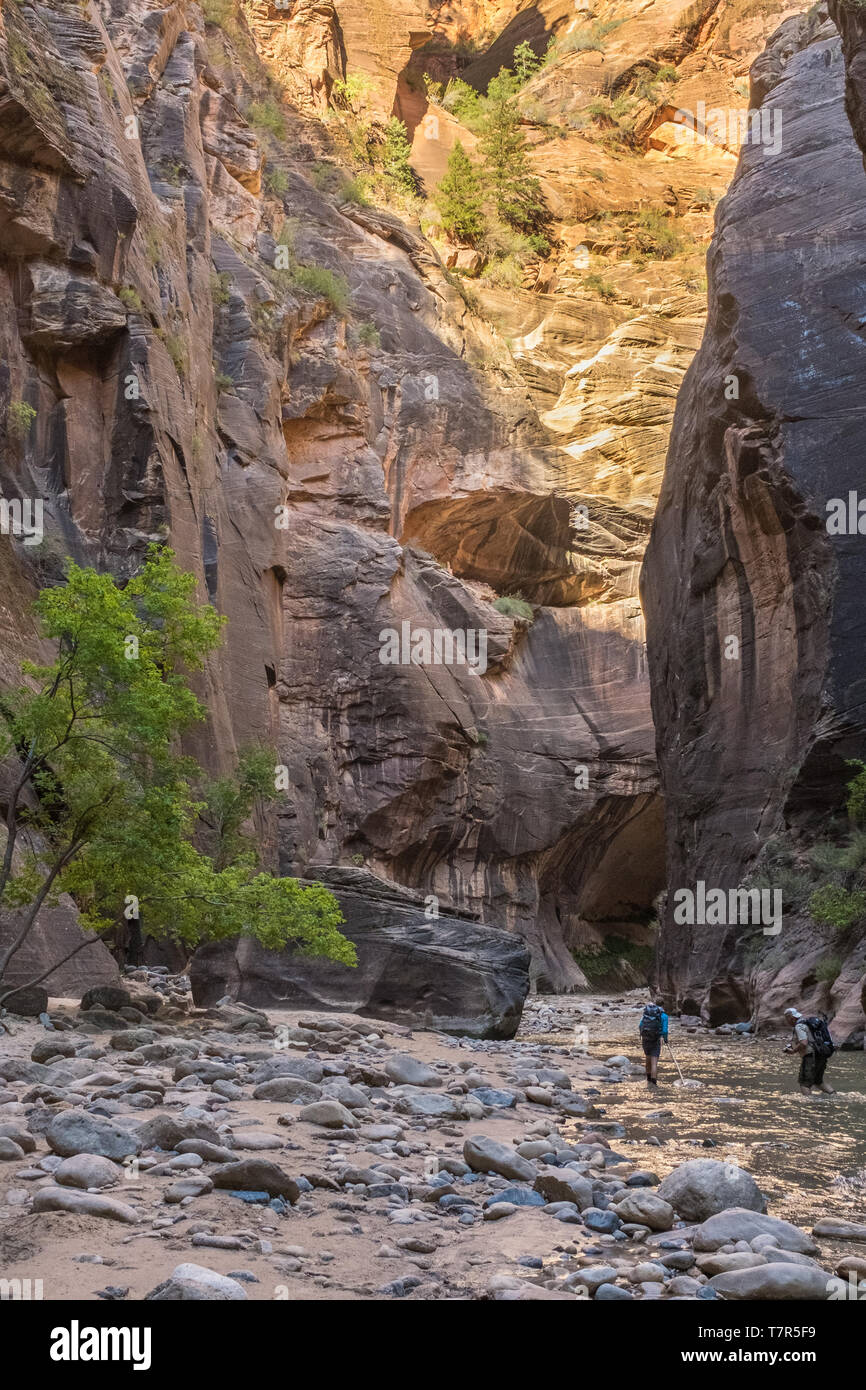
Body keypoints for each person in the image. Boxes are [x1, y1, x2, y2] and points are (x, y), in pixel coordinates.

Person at [783, 1007, 836, 1096]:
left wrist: (793, 1051)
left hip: (810, 1057)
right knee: (818, 1081)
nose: (787, 1021)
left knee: (804, 1083)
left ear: (791, 1018)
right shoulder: (808, 1023)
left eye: (787, 1019)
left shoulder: (799, 1026)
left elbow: (804, 1043)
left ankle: (808, 1104)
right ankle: (835, 1097)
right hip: (821, 1054)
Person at [639, 1002, 668, 1086]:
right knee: (654, 1063)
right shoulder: (664, 1016)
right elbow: (665, 1031)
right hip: (655, 1040)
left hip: (645, 1039)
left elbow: (640, 1025)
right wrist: (665, 1039)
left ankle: (648, 1081)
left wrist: (643, 1035)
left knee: (648, 1059)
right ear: (663, 1005)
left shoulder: (647, 1014)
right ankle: (654, 1084)